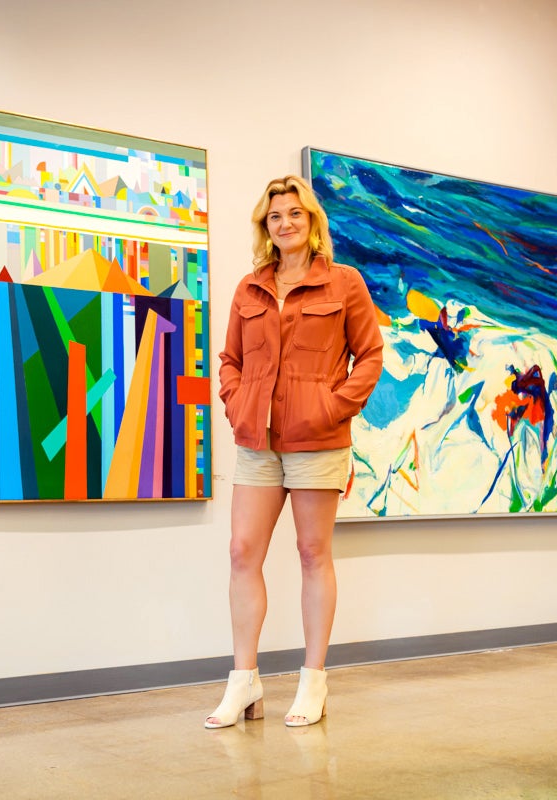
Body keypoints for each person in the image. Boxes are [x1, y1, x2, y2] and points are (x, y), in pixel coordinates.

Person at [205, 176, 384, 728]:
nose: (285, 223)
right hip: (257, 442)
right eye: (275, 216)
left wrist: (331, 408)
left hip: (317, 442)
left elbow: (371, 356)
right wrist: (237, 405)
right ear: (267, 226)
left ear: (312, 222)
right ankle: (244, 682)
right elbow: (229, 360)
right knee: (241, 552)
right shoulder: (248, 288)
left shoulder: (343, 283)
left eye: (294, 214)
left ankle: (313, 682)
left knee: (312, 555)